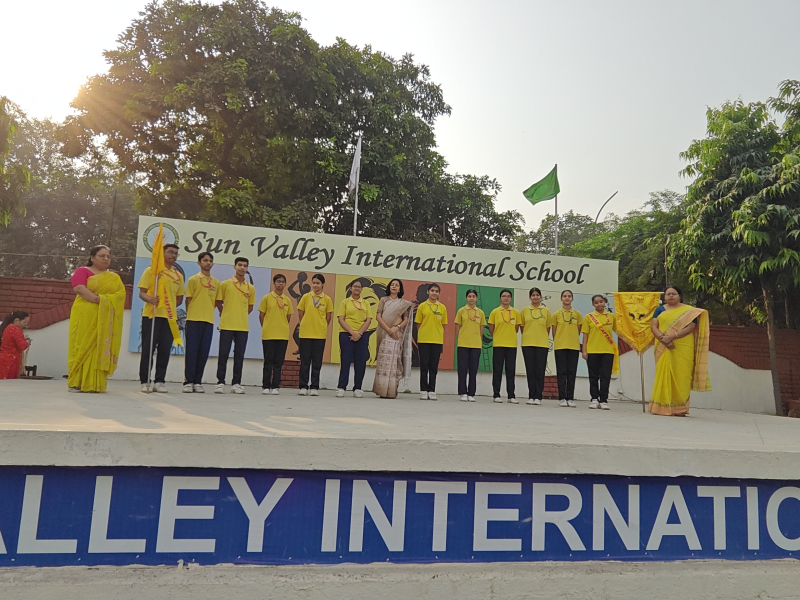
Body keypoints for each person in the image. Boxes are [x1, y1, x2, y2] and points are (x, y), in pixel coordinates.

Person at [67, 245, 126, 392]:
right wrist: (98, 300)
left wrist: (104, 301)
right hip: (85, 313)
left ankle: (95, 384)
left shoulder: (113, 277)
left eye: (108, 256)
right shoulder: (82, 271)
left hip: (104, 317)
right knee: (81, 345)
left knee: (99, 345)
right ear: (92, 258)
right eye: (102, 256)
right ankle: (76, 382)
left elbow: (120, 295)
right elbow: (79, 288)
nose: (106, 259)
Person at [649, 285, 711, 416]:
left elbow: (690, 327)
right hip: (662, 345)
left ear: (680, 296)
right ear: (664, 297)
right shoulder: (659, 309)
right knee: (663, 373)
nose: (671, 296)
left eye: (674, 294)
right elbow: (654, 326)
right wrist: (663, 339)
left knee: (682, 375)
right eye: (668, 294)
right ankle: (660, 407)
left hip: (683, 345)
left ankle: (680, 409)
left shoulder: (689, 311)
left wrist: (671, 337)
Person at [138, 243, 185, 393]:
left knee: (165, 350)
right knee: (148, 349)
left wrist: (168, 305)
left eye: (176, 253)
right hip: (151, 315)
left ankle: (159, 381)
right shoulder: (152, 271)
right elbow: (142, 292)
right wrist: (150, 299)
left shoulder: (178, 276)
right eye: (170, 252)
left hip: (169, 318)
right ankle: (145, 381)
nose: (173, 255)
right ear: (162, 253)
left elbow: (179, 298)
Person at [215, 257, 255, 394]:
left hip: (242, 326)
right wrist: (225, 313)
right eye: (240, 265)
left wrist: (240, 315)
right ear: (235, 266)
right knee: (223, 354)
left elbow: (250, 307)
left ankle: (236, 383)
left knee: (239, 356)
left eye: (245, 265)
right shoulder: (225, 284)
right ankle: (220, 382)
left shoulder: (250, 288)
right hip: (226, 325)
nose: (242, 268)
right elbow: (218, 302)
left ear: (247, 268)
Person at [183, 252, 219, 393]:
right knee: (191, 351)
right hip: (193, 320)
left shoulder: (216, 283)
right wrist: (191, 314)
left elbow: (216, 302)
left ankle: (198, 381)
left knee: (203, 352)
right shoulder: (193, 280)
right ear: (199, 263)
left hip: (208, 321)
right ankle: (188, 381)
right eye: (205, 260)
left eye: (210, 261)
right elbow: (188, 300)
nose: (208, 263)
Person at [373, 279, 413, 399]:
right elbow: (378, 316)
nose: (394, 287)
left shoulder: (403, 303)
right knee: (383, 362)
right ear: (389, 287)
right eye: (392, 285)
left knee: (394, 362)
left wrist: (396, 328)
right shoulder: (383, 300)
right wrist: (388, 329)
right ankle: (381, 391)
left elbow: (405, 319)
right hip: (384, 334)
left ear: (400, 289)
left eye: (397, 285)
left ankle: (391, 391)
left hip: (396, 335)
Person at [336, 279, 374, 398]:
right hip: (346, 334)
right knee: (345, 360)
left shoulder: (366, 303)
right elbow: (341, 319)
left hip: (362, 335)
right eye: (355, 286)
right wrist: (352, 332)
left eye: (359, 287)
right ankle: (341, 387)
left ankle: (358, 388)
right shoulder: (345, 302)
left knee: (360, 362)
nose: (357, 288)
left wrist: (359, 333)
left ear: (361, 290)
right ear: (351, 288)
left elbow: (368, 320)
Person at [296, 274, 333, 396]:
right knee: (305, 361)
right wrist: (306, 324)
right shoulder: (306, 297)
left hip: (319, 335)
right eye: (314, 283)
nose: (315, 285)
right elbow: (300, 314)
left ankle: (314, 387)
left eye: (318, 283)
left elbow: (328, 317)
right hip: (305, 334)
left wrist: (321, 326)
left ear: (323, 284)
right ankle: (303, 386)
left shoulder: (327, 299)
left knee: (317, 362)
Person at [581, 294, 618, 410]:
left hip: (608, 351)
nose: (599, 304)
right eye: (596, 302)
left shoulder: (611, 316)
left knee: (605, 376)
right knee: (593, 376)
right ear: (593, 304)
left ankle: (603, 400)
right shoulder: (589, 317)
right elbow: (585, 335)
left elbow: (619, 331)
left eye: (601, 301)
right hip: (592, 350)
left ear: (605, 302)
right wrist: (584, 350)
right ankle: (594, 399)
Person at [259, 273, 293, 396]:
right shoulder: (267, 298)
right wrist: (267, 327)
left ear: (285, 284)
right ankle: (266, 385)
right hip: (268, 335)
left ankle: (275, 386)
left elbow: (288, 317)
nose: (280, 284)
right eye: (278, 281)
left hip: (282, 335)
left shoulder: (287, 300)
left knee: (278, 362)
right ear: (274, 283)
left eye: (283, 282)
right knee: (268, 361)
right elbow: (261, 316)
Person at [414, 283, 448, 400]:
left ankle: (432, 390)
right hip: (424, 340)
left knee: (433, 367)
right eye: (432, 290)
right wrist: (425, 332)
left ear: (439, 294)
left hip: (437, 341)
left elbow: (443, 325)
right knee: (424, 366)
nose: (434, 293)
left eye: (436, 291)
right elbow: (418, 324)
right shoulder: (422, 306)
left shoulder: (442, 307)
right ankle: (423, 390)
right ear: (428, 292)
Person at [520, 287, 551, 406]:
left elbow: (547, 328)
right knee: (530, 370)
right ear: (530, 297)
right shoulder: (525, 310)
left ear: (540, 297)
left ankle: (538, 396)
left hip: (542, 344)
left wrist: (541, 337)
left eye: (537, 295)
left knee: (540, 370)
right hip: (527, 344)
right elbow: (522, 327)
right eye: (533, 295)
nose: (535, 297)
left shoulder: (546, 311)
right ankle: (531, 395)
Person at [551, 290, 582, 408]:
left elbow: (578, 330)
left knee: (571, 373)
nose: (567, 298)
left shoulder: (577, 314)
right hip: (560, 347)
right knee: (561, 372)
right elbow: (554, 331)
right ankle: (562, 398)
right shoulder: (556, 314)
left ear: (572, 299)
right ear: (561, 299)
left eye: (569, 296)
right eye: (564, 296)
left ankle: (570, 398)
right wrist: (559, 341)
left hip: (573, 347)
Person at [488, 289, 520, 403]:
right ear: (500, 298)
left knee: (510, 371)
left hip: (511, 345)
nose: (506, 298)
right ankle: (496, 394)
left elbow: (516, 328)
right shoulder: (495, 312)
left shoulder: (515, 312)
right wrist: (498, 336)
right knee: (497, 370)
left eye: (508, 296)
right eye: (503, 296)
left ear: (511, 299)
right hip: (498, 345)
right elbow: (491, 328)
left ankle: (511, 396)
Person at [454, 289, 486, 402]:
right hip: (463, 344)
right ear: (466, 298)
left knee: (473, 370)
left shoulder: (480, 312)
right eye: (469, 296)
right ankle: (463, 392)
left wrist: (475, 338)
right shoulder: (461, 311)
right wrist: (461, 339)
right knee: (462, 369)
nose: (471, 298)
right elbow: (457, 328)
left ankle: (471, 393)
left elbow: (481, 329)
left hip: (476, 345)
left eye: (473, 296)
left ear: (476, 298)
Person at [0, 311, 30, 380]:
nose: (25, 325)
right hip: (11, 360)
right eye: (24, 322)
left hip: (3, 358)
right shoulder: (15, 329)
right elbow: (22, 346)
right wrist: (27, 342)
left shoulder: (7, 328)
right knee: (10, 382)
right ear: (17, 320)